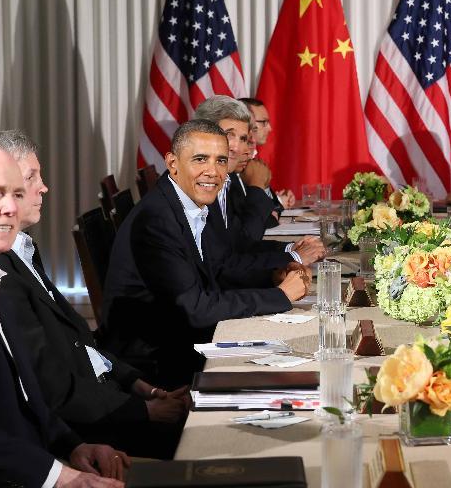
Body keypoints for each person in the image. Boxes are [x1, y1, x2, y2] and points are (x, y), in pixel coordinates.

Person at [0, 129, 186, 460]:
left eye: (17, 189)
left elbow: (77, 341)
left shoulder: (21, 251)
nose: (42, 187)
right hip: (87, 427)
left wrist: (140, 387)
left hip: (86, 420)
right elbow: (45, 387)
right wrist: (141, 411)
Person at [0, 141, 127, 488]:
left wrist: (72, 445)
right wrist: (55, 475)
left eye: (14, 193)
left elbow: (24, 395)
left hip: (36, 470)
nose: (10, 207)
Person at [100, 120, 309, 387]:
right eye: (200, 159)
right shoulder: (157, 220)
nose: (213, 171)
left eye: (221, 161)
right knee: (296, 371)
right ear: (173, 163)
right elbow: (195, 308)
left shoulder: (188, 203)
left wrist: (274, 274)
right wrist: (279, 296)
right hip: (155, 362)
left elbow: (219, 269)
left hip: (182, 337)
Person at [195, 96, 323, 264]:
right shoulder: (198, 186)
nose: (238, 147)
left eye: (242, 139)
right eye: (229, 135)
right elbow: (225, 264)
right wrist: (292, 259)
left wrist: (291, 250)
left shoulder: (223, 180)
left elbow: (238, 244)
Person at [238, 97, 295, 209]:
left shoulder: (253, 159)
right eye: (264, 122)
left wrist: (276, 200)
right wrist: (277, 203)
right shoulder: (233, 163)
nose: (270, 128)